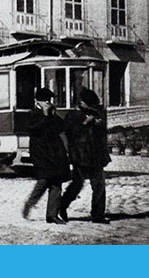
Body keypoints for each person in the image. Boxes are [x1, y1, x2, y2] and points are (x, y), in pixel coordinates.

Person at [59, 88, 112, 224]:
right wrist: (85, 123)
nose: (92, 107)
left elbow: (101, 136)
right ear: (82, 103)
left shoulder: (96, 114)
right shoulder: (72, 115)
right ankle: (62, 206)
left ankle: (97, 215)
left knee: (99, 185)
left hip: (95, 156)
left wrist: (99, 125)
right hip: (81, 156)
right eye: (90, 105)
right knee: (77, 185)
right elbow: (71, 133)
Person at [22, 88, 71, 224]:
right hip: (41, 152)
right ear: (38, 101)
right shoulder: (33, 113)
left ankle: (52, 215)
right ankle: (30, 203)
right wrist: (44, 115)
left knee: (57, 182)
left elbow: (61, 127)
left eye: (49, 100)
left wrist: (53, 115)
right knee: (43, 180)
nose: (48, 103)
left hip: (55, 152)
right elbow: (33, 129)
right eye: (45, 100)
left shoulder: (51, 113)